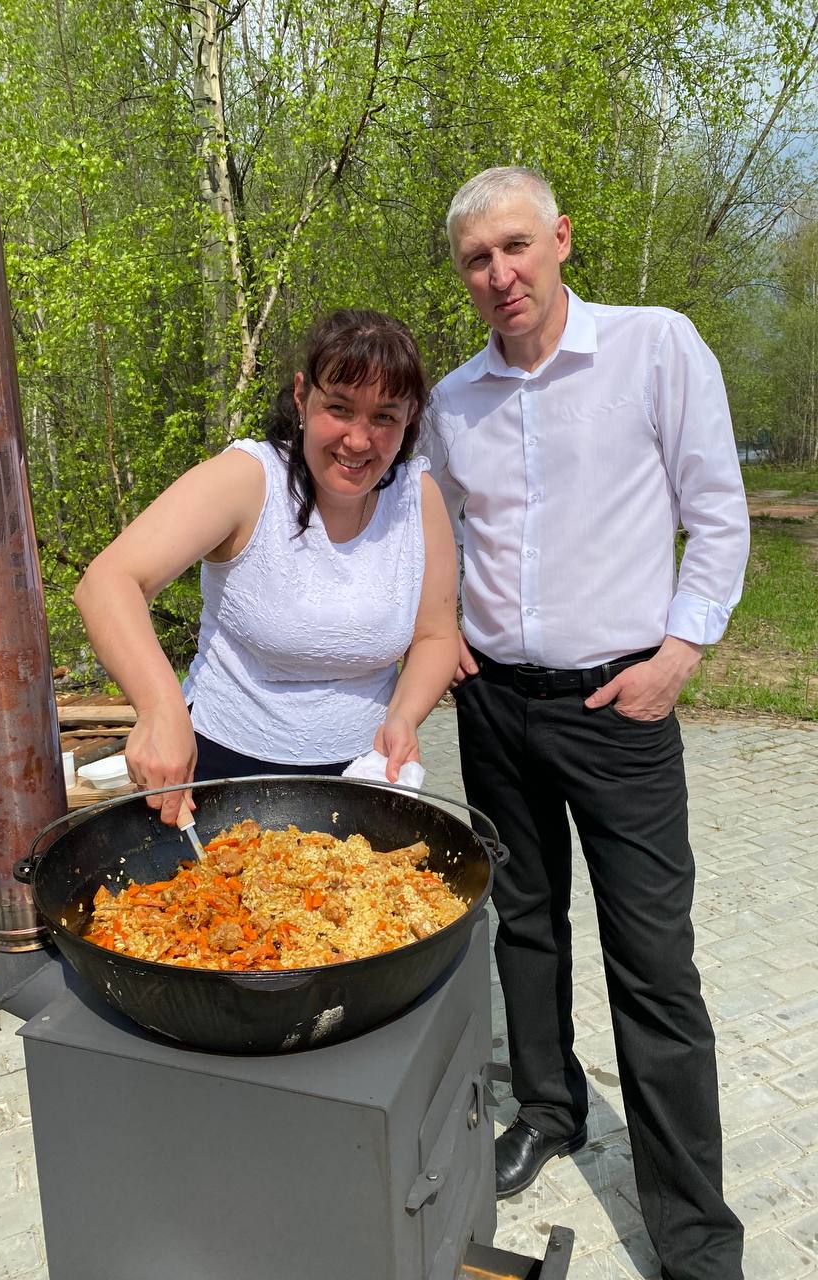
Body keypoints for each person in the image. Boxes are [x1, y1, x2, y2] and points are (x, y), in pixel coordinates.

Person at [424, 167, 747, 1280]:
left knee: (653, 960)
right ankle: (550, 1108)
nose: (500, 273)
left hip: (620, 707)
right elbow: (436, 534)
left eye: (516, 245)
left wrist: (681, 654)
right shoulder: (455, 400)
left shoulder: (655, 347)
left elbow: (718, 514)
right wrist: (441, 633)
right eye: (477, 258)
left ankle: (695, 1236)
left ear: (560, 237)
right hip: (494, 704)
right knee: (523, 923)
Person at [75, 308, 459, 826]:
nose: (358, 440)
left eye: (384, 417)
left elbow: (436, 635)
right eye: (339, 408)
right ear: (302, 397)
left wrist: (405, 716)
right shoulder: (248, 479)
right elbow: (108, 582)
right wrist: (159, 708)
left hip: (366, 775)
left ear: (410, 417)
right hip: (220, 771)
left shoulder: (418, 497)